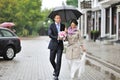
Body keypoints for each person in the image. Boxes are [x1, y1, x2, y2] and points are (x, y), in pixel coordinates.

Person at [48, 14, 65, 80]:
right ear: (54, 19)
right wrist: (57, 37)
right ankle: (56, 69)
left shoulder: (63, 26)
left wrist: (64, 37)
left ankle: (56, 75)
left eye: (59, 18)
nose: (58, 19)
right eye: (57, 18)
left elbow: (64, 34)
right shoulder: (51, 25)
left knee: (59, 60)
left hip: (60, 46)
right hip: (53, 45)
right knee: (51, 59)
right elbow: (50, 34)